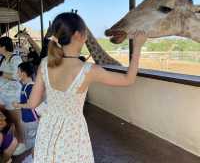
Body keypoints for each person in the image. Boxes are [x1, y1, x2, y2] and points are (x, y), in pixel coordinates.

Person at [13, 12, 147, 162]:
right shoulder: (88, 70)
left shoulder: (45, 63)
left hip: (47, 126)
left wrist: (21, 104)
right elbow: (128, 79)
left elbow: (32, 103)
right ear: (78, 35)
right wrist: (137, 47)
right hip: (72, 132)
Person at [0, 37, 26, 155]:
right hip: (3, 94)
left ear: (3, 47)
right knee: (9, 119)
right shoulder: (3, 59)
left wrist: (1, 73)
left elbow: (18, 76)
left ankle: (22, 143)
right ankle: (14, 140)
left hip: (12, 95)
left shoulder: (15, 58)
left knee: (17, 120)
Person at [16, 62, 39, 151]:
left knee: (32, 141)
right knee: (29, 139)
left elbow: (32, 104)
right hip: (27, 119)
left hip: (31, 120)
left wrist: (19, 105)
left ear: (24, 74)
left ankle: (32, 155)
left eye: (18, 71)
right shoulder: (25, 86)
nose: (17, 73)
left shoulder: (30, 87)